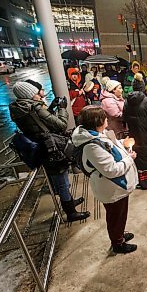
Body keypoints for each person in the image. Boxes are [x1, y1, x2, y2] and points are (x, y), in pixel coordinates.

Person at [9, 81, 89, 223]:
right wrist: (62, 108)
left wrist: (51, 107)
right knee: (62, 180)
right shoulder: (35, 107)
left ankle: (69, 202)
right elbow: (61, 125)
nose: (39, 95)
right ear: (29, 94)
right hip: (51, 148)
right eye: (36, 92)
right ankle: (71, 213)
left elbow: (40, 123)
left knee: (59, 180)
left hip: (41, 147)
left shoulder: (18, 108)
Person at [72, 106, 138, 254]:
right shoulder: (91, 146)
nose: (107, 119)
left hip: (115, 186)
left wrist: (122, 143)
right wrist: (129, 158)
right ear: (98, 121)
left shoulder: (95, 135)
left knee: (119, 214)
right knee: (115, 216)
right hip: (112, 187)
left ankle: (119, 234)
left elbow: (109, 147)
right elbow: (111, 170)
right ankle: (117, 243)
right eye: (104, 117)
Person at [123, 77, 147, 189]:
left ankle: (139, 181)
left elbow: (124, 118)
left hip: (134, 136)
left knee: (137, 157)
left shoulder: (126, 102)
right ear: (143, 87)